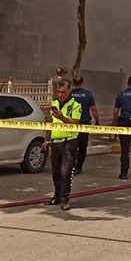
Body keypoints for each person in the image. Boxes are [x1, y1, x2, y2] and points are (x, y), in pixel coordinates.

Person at [42, 80, 82, 211]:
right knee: (55, 172)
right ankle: (57, 196)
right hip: (55, 142)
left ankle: (65, 198)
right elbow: (52, 123)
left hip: (69, 142)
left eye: (63, 92)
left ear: (69, 91)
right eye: (58, 92)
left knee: (66, 172)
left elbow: (75, 122)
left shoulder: (76, 105)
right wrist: (46, 139)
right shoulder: (54, 103)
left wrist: (63, 117)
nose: (60, 95)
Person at [71, 76, 100, 175]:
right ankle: (79, 167)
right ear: (82, 83)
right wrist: (97, 121)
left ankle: (71, 165)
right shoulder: (88, 95)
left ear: (73, 84)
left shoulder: (69, 94)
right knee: (82, 146)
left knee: (71, 145)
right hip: (84, 124)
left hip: (72, 123)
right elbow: (94, 109)